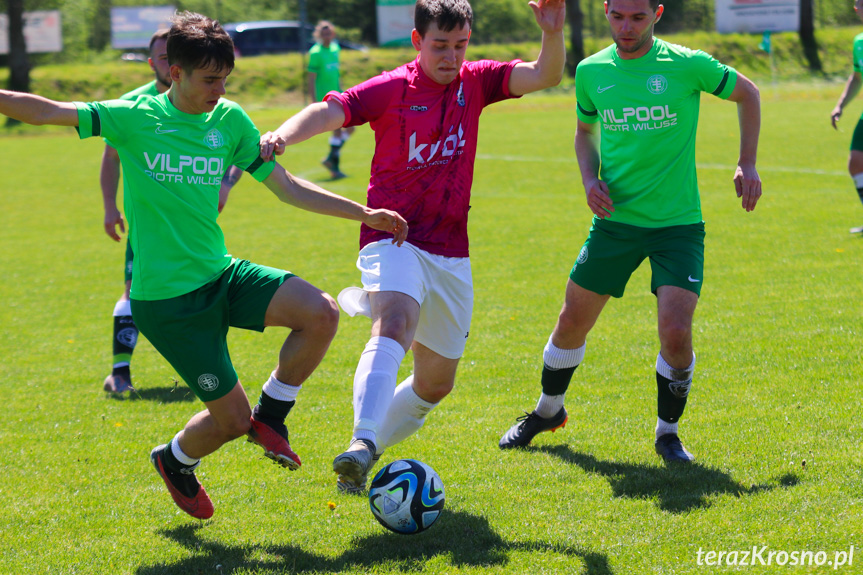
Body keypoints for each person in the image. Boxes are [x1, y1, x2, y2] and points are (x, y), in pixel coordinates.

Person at [0, 11, 407, 520]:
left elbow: (286, 186)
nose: (219, 90)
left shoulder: (229, 120)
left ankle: (273, 416)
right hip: (167, 302)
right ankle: (175, 460)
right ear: (176, 72)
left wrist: (363, 212)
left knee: (321, 312)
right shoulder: (134, 116)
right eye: (209, 79)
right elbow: (45, 110)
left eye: (225, 79)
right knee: (230, 421)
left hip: (220, 273)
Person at [260, 0, 566, 492]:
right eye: (440, 46)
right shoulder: (392, 88)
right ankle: (361, 441)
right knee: (395, 321)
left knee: (434, 385)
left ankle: (368, 452)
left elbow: (543, 75)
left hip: (450, 250)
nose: (451, 56)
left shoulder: (477, 80)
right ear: (417, 41)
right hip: (392, 234)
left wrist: (552, 33)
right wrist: (282, 136)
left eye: (460, 45)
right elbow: (330, 109)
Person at [498, 0, 762, 462]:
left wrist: (747, 162)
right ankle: (546, 411)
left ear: (657, 13)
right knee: (570, 322)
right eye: (618, 16)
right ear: (605, 11)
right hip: (615, 223)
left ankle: (667, 433)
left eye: (638, 18)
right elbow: (584, 132)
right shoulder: (591, 71)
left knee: (676, 331)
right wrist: (588, 179)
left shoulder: (687, 65)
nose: (626, 27)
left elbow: (749, 93)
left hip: (677, 225)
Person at [101, 28, 245, 395]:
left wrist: (224, 185)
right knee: (132, 289)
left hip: (198, 231)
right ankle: (120, 371)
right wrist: (109, 206)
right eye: (163, 57)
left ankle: (208, 372)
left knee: (206, 291)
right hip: (151, 228)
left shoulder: (214, 105)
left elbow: (244, 148)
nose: (170, 62)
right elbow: (111, 158)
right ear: (157, 64)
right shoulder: (134, 106)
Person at [830, 0, 863, 234]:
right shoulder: (859, 42)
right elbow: (857, 76)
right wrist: (840, 105)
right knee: (855, 162)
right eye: (860, 4)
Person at [307, 20, 355, 180]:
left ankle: (330, 159)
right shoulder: (315, 52)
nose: (327, 36)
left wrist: (342, 91)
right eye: (324, 33)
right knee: (338, 128)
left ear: (333, 34)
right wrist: (314, 100)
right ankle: (334, 168)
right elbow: (311, 78)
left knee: (350, 128)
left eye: (329, 33)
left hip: (338, 94)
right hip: (325, 97)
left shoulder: (335, 48)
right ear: (319, 35)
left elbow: (336, 74)